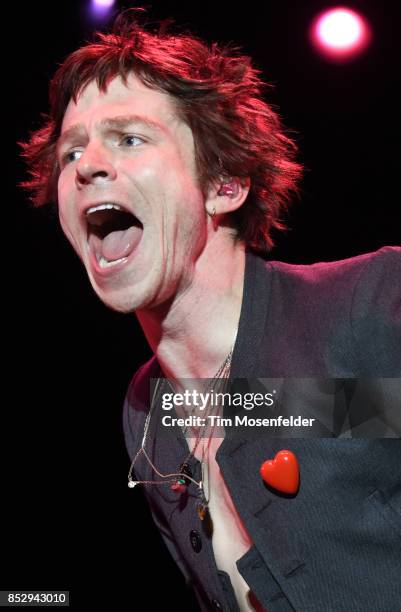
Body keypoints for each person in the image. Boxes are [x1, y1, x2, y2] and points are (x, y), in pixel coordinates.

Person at [20, 9, 401, 612]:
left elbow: (317, 410)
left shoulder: (366, 310)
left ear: (223, 185)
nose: (87, 164)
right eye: (70, 153)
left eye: (129, 138)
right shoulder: (151, 415)